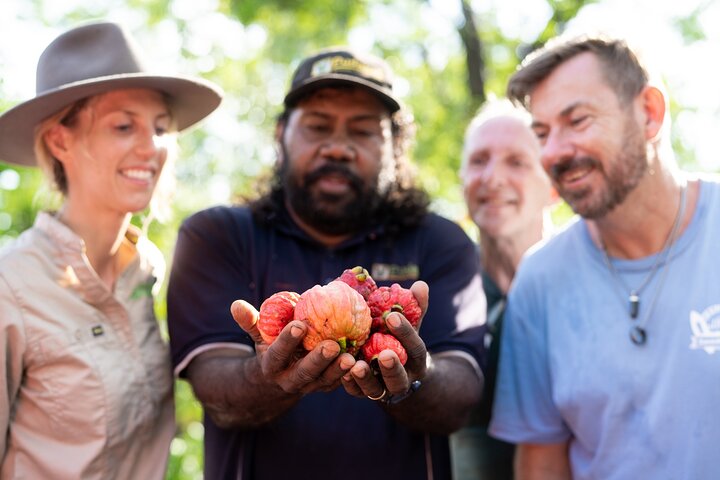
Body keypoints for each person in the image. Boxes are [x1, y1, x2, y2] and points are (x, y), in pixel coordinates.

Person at [167, 47, 487, 480]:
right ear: (281, 135)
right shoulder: (217, 236)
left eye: (362, 131)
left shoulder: (441, 242)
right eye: (318, 127)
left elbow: (461, 396)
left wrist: (416, 376)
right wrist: (270, 377)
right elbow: (216, 392)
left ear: (395, 146)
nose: (337, 148)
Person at [489, 33, 720, 480]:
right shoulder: (539, 279)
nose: (553, 151)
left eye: (577, 120)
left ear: (649, 113)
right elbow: (541, 465)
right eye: (542, 133)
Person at [0, 22, 222, 479]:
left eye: (161, 127)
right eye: (124, 126)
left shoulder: (147, 269)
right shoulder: (12, 286)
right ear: (61, 140)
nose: (151, 147)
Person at [450, 99, 554, 480]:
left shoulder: (585, 283)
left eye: (517, 162)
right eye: (479, 160)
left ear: (554, 184)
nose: (493, 177)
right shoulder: (444, 294)